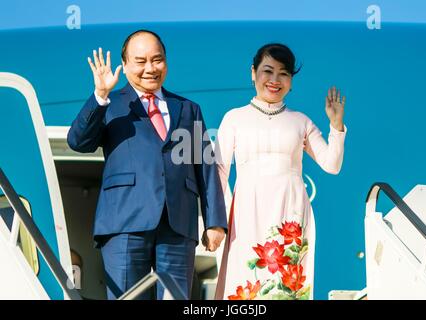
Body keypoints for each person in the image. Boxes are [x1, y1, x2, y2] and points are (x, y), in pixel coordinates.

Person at [67, 30, 227, 300]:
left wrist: (215, 223)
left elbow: (205, 167)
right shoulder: (111, 104)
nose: (150, 68)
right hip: (125, 224)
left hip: (178, 224)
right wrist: (100, 95)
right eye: (140, 61)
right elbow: (78, 141)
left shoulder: (188, 109)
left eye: (157, 60)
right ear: (125, 64)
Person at [214, 43, 347, 300]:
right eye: (268, 71)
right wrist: (217, 222)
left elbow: (332, 165)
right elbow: (219, 172)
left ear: (291, 81)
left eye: (284, 73)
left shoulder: (301, 121)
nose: (275, 80)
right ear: (253, 73)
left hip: (291, 213)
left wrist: (336, 125)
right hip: (246, 213)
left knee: (286, 288)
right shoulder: (234, 118)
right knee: (245, 284)